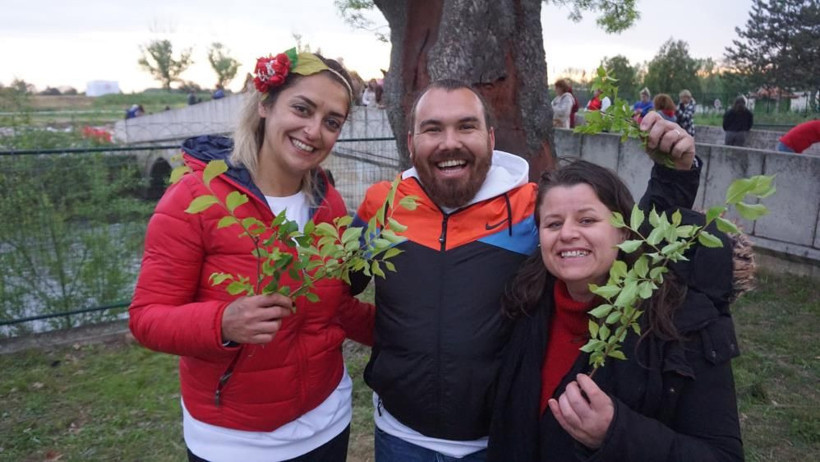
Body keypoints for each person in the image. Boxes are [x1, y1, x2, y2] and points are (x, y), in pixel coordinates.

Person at [351, 78, 702, 462]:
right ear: (410, 142)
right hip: (399, 438)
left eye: (465, 126)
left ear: (489, 137)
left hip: (499, 441)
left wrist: (674, 175)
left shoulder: (532, 209)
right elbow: (332, 288)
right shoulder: (380, 206)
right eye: (432, 129)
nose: (449, 142)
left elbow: (626, 248)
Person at [129, 49, 374, 462]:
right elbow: (146, 317)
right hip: (234, 441)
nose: (314, 131)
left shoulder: (327, 202)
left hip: (327, 422)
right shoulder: (196, 198)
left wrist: (411, 336)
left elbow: (328, 307)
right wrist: (222, 322)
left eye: (332, 122)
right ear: (265, 104)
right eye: (302, 108)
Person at [487, 160, 744, 462]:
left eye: (586, 221)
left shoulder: (679, 324)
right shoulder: (526, 306)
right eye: (553, 223)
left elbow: (723, 456)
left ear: (625, 233)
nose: (567, 233)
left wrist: (617, 433)